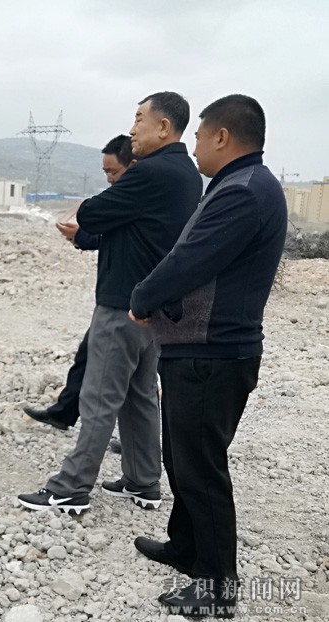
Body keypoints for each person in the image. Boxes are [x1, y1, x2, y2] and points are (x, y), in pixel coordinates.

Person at [129, 95, 286, 618]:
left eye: (198, 137)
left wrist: (143, 298)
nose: (194, 146)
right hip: (198, 348)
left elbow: (189, 260)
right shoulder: (238, 184)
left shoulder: (244, 191)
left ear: (222, 137)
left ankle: (218, 588)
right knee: (181, 457)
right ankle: (186, 546)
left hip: (213, 353)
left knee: (201, 467)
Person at [17, 92, 202, 514]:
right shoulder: (187, 174)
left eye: (139, 119)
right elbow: (130, 229)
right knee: (140, 397)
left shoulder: (149, 172)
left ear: (164, 127)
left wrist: (85, 218)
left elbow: (95, 213)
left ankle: (71, 487)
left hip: (122, 307)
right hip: (155, 307)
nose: (132, 129)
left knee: (100, 397)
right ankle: (143, 480)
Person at [23, 135, 134, 447]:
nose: (109, 179)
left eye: (114, 172)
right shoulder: (128, 198)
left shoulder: (135, 196)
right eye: (105, 173)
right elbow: (111, 236)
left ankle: (130, 440)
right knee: (88, 355)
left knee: (131, 378)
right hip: (115, 298)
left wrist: (84, 226)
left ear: (133, 166)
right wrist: (81, 237)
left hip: (132, 303)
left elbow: (104, 222)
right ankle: (65, 412)